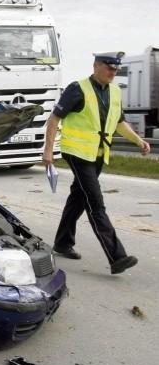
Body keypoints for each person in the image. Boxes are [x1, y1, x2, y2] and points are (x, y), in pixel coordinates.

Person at [43, 51, 151, 274]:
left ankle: (62, 243)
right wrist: (48, 150)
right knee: (95, 202)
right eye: (109, 68)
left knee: (79, 198)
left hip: (99, 153)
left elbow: (119, 122)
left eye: (116, 69)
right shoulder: (78, 88)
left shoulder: (114, 91)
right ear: (96, 66)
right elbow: (54, 118)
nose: (114, 72)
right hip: (77, 153)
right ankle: (117, 256)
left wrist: (138, 140)